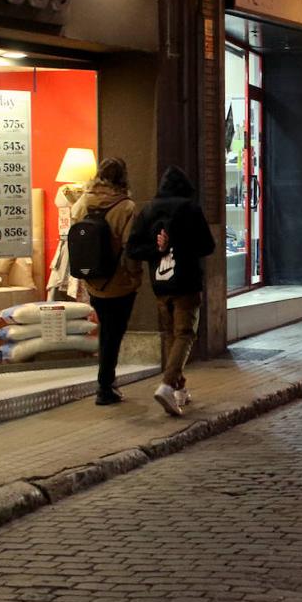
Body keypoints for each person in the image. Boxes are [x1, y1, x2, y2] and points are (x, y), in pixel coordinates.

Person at [127, 165, 215, 418]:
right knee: (185, 334)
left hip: (160, 284)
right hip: (186, 282)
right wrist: (180, 246)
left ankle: (180, 388)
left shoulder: (148, 211)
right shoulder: (190, 209)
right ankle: (166, 385)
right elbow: (207, 245)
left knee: (170, 335)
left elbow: (133, 249)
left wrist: (158, 251)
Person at [71, 157, 141, 406]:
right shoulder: (126, 207)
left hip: (94, 281)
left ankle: (106, 382)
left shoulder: (82, 204)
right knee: (114, 333)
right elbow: (130, 249)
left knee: (105, 332)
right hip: (120, 282)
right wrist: (134, 277)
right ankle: (105, 386)